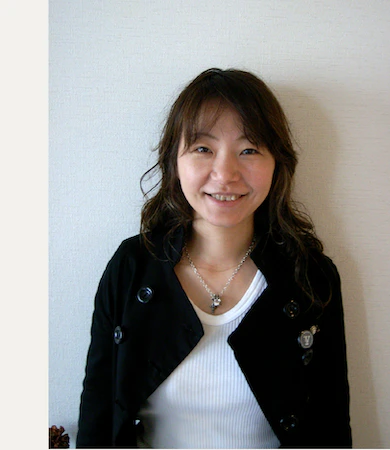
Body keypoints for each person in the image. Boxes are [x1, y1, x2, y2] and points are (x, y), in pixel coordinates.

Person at [76, 68, 352, 448]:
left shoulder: (311, 278)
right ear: (174, 160)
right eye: (203, 149)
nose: (225, 174)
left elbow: (330, 429)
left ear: (277, 163)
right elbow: (97, 421)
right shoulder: (132, 267)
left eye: (249, 149)